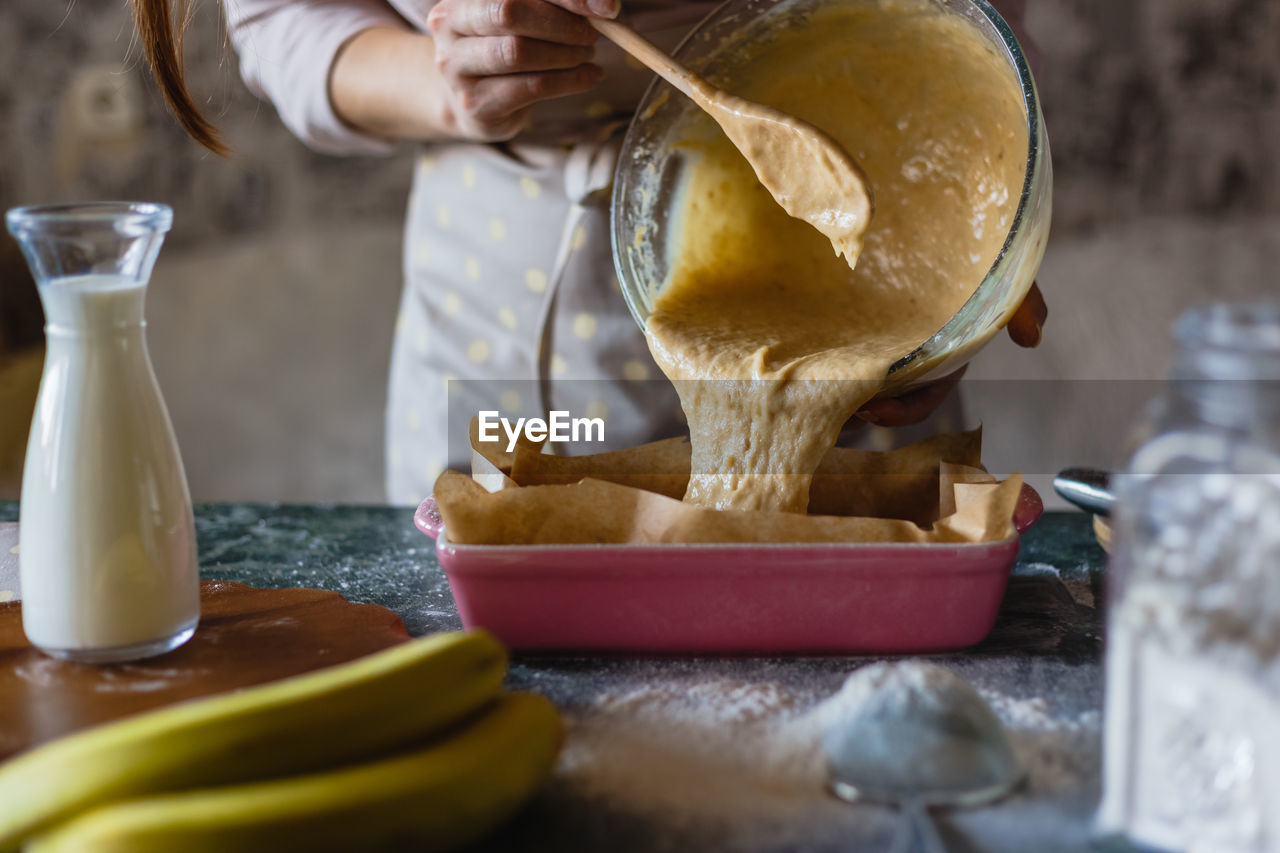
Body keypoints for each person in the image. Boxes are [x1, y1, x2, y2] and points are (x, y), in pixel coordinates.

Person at [131, 0, 1046, 504]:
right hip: (502, 319)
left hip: (861, 241)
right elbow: (282, 16)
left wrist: (981, 225)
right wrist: (445, 84)